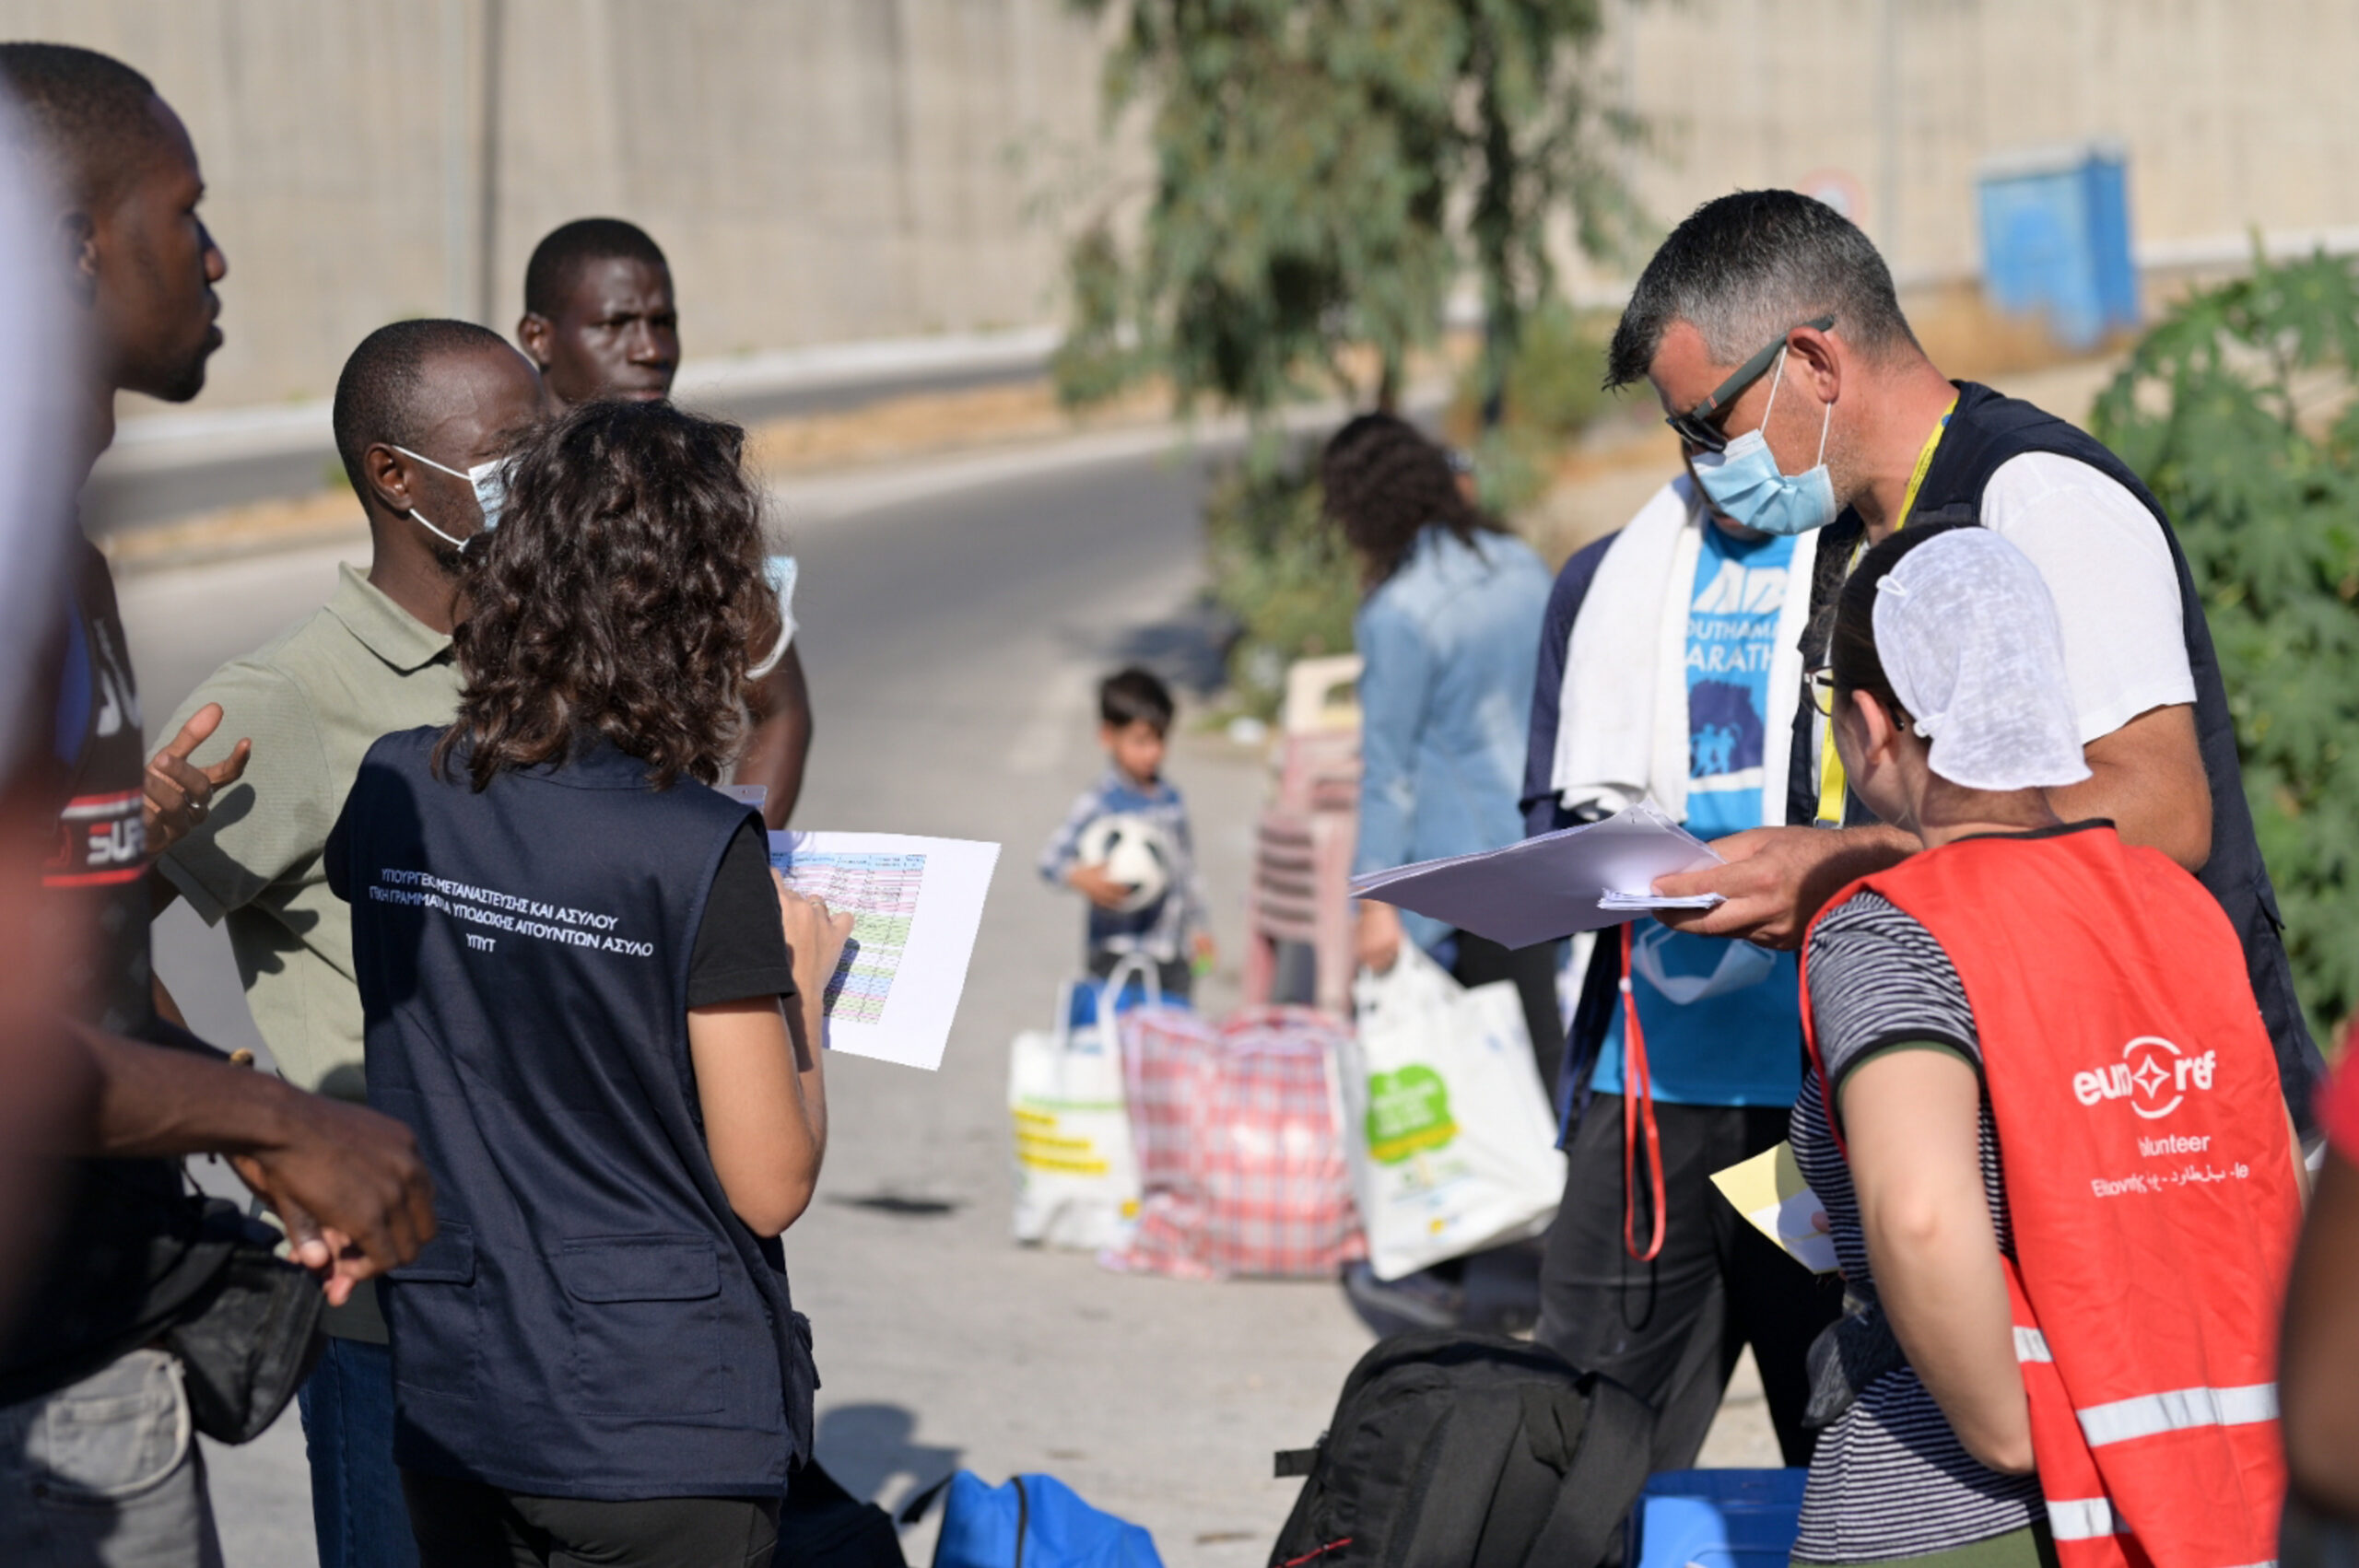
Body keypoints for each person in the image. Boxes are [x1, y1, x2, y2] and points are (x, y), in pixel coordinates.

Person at [1607, 190, 2325, 1141]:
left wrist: (1846, 869)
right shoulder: (1851, 537)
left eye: (1707, 424)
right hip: (2017, 1119)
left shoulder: (2036, 497)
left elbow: (2162, 809)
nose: (1699, 464)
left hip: (2173, 1127)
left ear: (1814, 362)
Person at [0, 42, 434, 1567]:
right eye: (184, 212)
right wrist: (272, 1109)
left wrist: (269, 1136)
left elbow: (80, 981)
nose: (216, 251)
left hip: (91, 1356)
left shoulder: (62, 562)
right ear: (70, 248)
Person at [331, 398, 847, 1568]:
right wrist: (802, 991)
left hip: (459, 1398)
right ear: (700, 606)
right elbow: (768, 1183)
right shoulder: (699, 848)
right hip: (658, 1427)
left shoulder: (393, 786)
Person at [1792, 521, 2297, 1567]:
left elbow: (1923, 1214)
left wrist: (2012, 1428)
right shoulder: (2176, 906)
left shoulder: (1888, 927)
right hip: (2197, 1496)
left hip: (1954, 1508)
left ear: (1872, 726)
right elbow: (2256, 1185)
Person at [152, 318, 546, 1568]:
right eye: (513, 454)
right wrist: (251, 1114)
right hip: (395, 1312)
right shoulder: (289, 698)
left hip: (559, 1280)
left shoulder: (541, 664)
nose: (542, 484)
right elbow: (76, 946)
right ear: (396, 476)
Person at [1519, 466, 1840, 1472]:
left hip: (1819, 1102)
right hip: (1645, 1094)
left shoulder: (1865, 567)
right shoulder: (1603, 580)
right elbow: (1548, 810)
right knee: (1578, 1450)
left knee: (1845, 1450)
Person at [517, 216, 814, 830]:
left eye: (664, 323)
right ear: (539, 337)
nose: (651, 351)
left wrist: (727, 863)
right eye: (614, 325)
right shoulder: (495, 492)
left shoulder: (692, 496)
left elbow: (780, 710)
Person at [1331, 413, 1557, 1078]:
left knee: (1488, 1076)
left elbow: (1389, 776)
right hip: (1544, 837)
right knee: (1545, 1041)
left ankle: (1559, 1184)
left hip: (1463, 870)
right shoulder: (1517, 562)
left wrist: (1374, 907)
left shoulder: (1398, 615)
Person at [1037, 665, 1215, 1000]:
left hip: (1171, 952)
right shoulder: (1099, 801)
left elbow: (1186, 871)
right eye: (1141, 741)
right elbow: (1049, 860)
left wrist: (1200, 927)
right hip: (1116, 953)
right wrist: (1077, 876)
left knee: (1169, 1041)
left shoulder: (1171, 799)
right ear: (1107, 736)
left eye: (1160, 739)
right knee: (1117, 1043)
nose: (1154, 752)